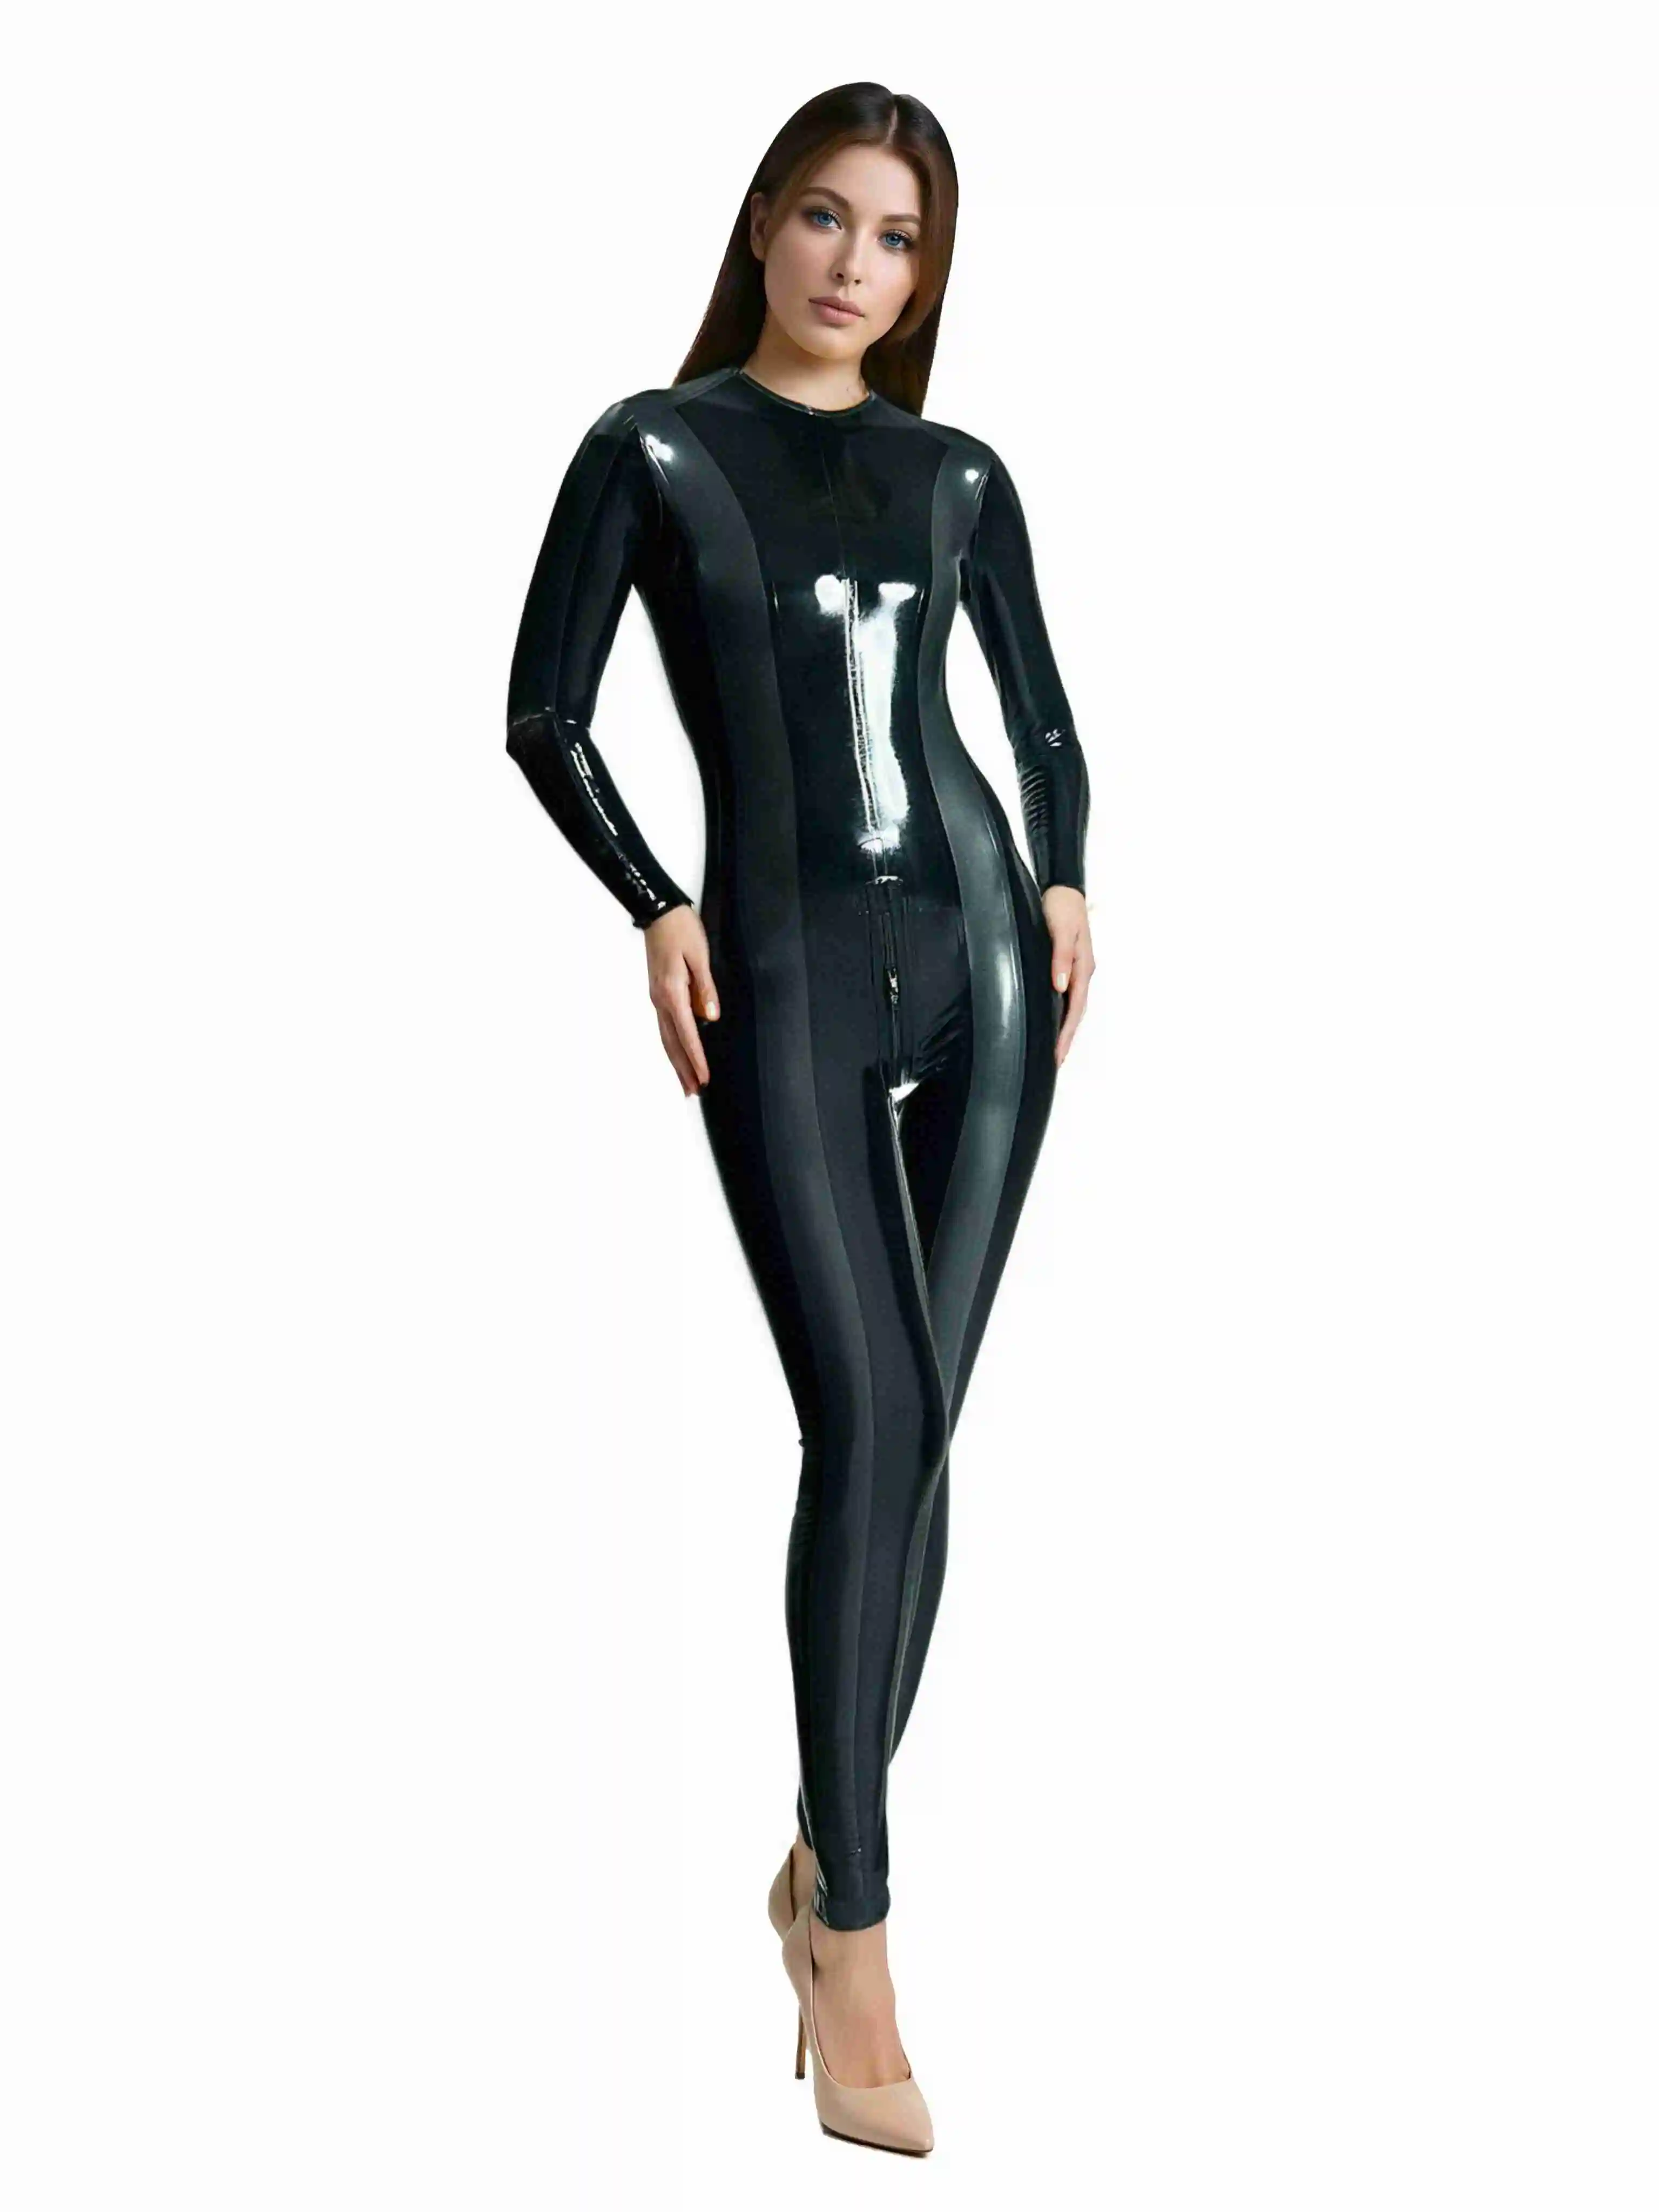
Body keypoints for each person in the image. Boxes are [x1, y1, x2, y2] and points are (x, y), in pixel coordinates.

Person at [504, 83, 1093, 2156]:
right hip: (779, 965)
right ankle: (855, 1932)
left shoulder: (958, 473)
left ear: (927, 274)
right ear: (765, 223)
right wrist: (652, 901)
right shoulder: (654, 449)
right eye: (829, 218)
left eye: (899, 237)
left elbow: (1036, 717)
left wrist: (1070, 876)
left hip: (987, 963)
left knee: (920, 1433)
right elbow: (543, 711)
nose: (858, 264)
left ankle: (822, 1859)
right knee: (873, 1416)